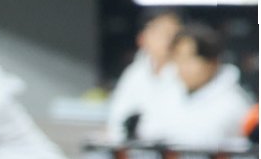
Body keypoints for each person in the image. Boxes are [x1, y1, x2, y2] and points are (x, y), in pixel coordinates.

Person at [137, 23, 253, 148]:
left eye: (189, 58)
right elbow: (147, 131)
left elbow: (202, 138)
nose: (183, 66)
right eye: (178, 58)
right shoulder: (166, 92)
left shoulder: (234, 103)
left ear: (212, 62)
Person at [105, 9, 183, 142]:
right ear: (142, 38)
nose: (169, 41)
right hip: (134, 148)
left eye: (174, 34)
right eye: (162, 33)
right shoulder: (134, 74)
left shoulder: (187, 74)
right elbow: (116, 121)